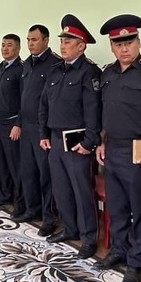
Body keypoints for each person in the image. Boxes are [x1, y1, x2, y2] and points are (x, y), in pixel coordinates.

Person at [94, 14, 141, 282]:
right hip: (112, 147)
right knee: (117, 205)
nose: (124, 48)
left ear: (138, 42)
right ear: (111, 47)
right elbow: (104, 112)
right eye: (118, 44)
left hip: (139, 148)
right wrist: (101, 141)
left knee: (139, 208)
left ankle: (137, 261)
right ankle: (119, 250)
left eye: (129, 42)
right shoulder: (107, 73)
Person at [39, 14, 102, 259]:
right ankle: (69, 228)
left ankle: (88, 237)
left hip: (77, 140)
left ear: (81, 46)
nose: (63, 46)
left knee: (81, 190)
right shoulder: (55, 71)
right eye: (62, 41)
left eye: (68, 41)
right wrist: (44, 133)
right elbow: (44, 104)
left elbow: (93, 110)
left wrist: (89, 142)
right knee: (61, 188)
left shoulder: (89, 72)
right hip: (55, 138)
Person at [12, 25, 63, 232]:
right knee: (28, 172)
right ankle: (32, 209)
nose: (30, 44)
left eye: (34, 40)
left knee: (45, 175)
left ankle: (49, 218)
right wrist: (18, 123)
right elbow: (22, 98)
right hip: (26, 127)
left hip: (43, 129)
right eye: (28, 40)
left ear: (46, 40)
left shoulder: (55, 64)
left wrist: (45, 131)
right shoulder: (27, 64)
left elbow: (52, 100)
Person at [0, 33, 25, 210]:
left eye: (9, 45)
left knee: (15, 165)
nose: (5, 48)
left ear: (18, 48)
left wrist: (18, 123)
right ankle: (4, 196)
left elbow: (24, 100)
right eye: (3, 45)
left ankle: (20, 202)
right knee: (0, 163)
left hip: (11, 124)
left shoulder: (21, 69)